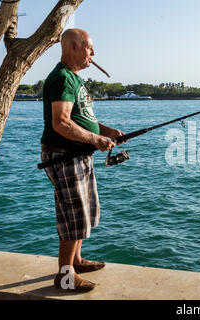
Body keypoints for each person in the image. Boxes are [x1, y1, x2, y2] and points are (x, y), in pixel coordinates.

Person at [41, 28, 125, 292]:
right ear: (74, 47)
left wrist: (106, 132)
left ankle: (75, 261)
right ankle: (65, 276)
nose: (93, 53)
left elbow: (82, 119)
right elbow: (61, 123)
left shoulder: (75, 80)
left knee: (84, 212)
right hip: (65, 157)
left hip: (78, 155)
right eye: (89, 47)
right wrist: (95, 140)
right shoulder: (63, 79)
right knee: (72, 215)